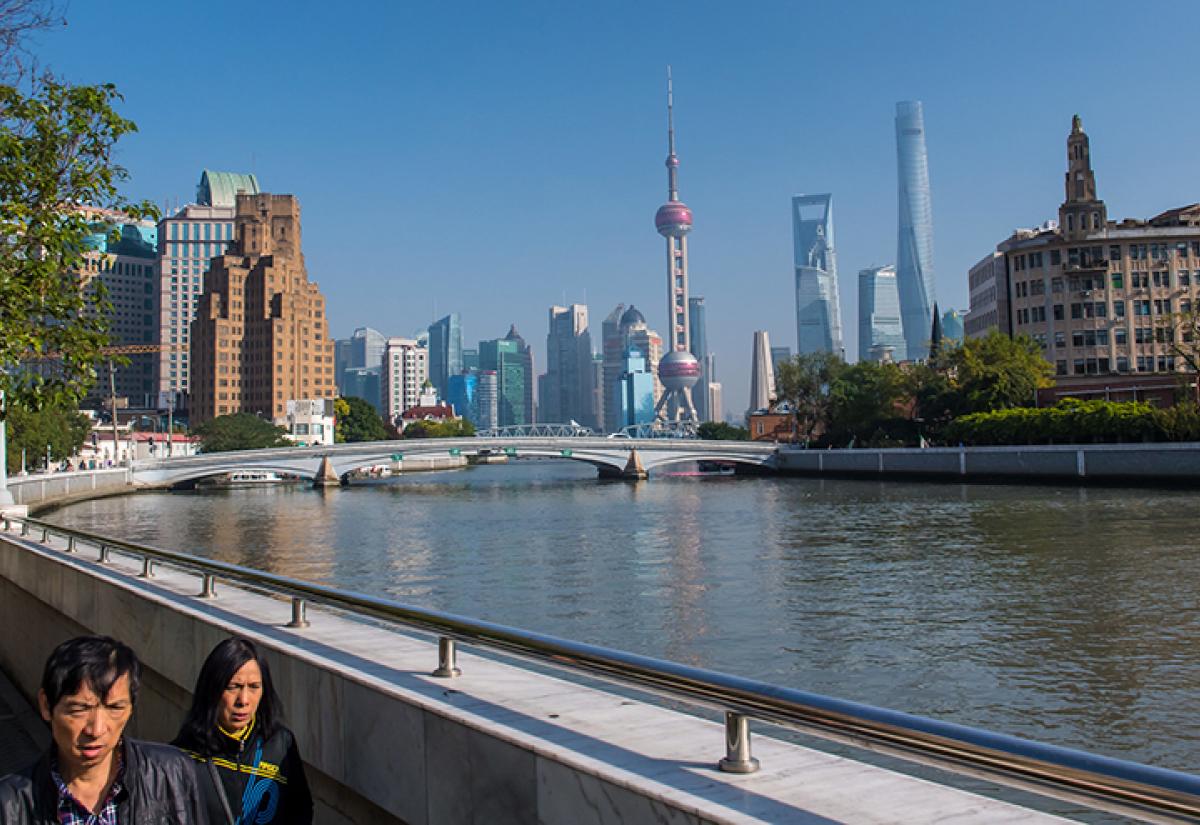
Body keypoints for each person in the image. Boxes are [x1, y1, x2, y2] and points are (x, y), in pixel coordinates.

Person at [0, 635, 208, 823]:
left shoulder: (172, 774)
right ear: (46, 706)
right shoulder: (10, 804)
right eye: (80, 709)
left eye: (115, 708)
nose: (96, 729)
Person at [172, 637, 312, 825]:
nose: (244, 700)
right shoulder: (181, 756)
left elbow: (300, 811)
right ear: (212, 689)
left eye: (254, 687)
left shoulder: (280, 744)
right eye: (233, 687)